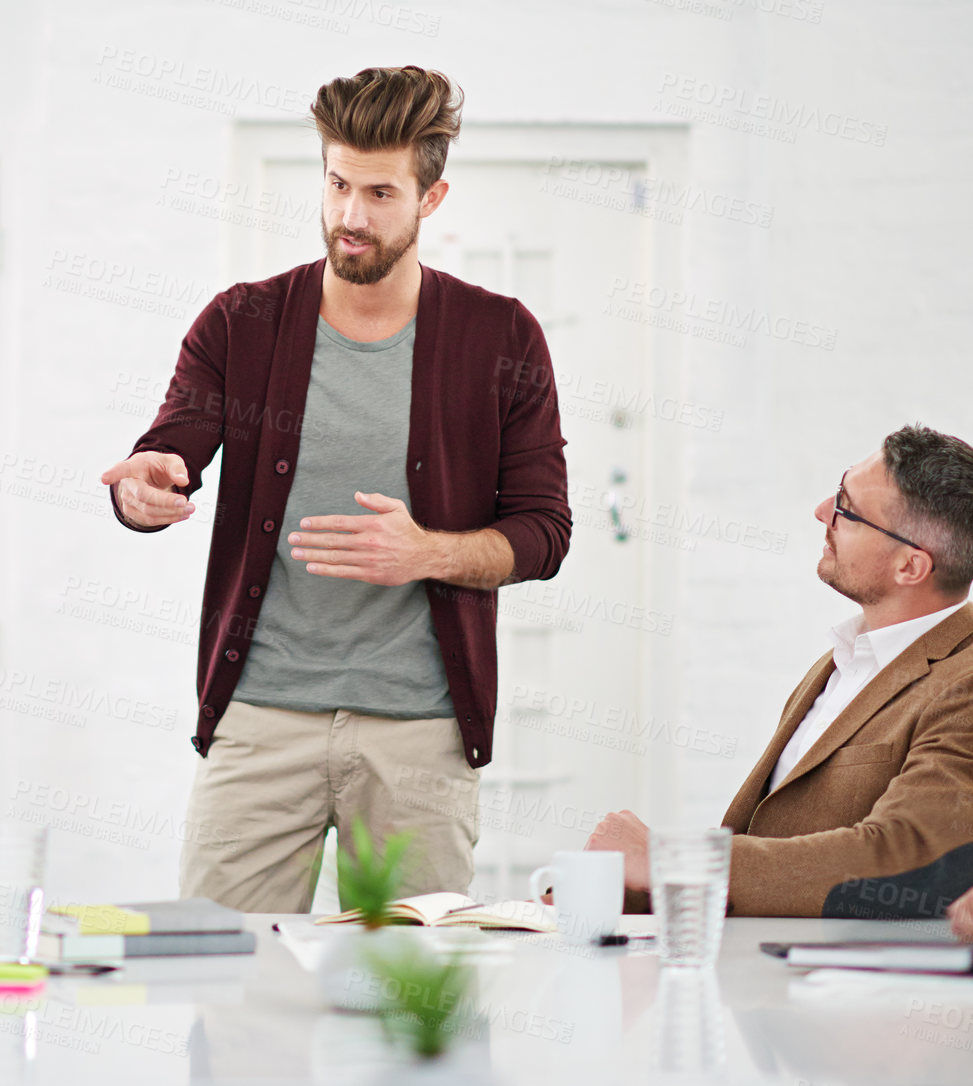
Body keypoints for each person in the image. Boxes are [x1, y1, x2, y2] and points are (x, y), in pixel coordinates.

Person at [100, 66, 571, 911]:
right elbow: (168, 449)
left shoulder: (500, 336)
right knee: (229, 984)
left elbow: (543, 533)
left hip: (419, 733)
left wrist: (425, 551)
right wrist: (143, 486)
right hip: (259, 718)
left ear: (431, 198)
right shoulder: (240, 322)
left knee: (404, 1006)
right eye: (336, 183)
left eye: (380, 192)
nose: (350, 215)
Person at [588, 425, 973, 917]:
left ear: (910, 567)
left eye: (845, 508)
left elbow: (901, 856)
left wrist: (668, 858)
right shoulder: (847, 659)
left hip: (836, 984)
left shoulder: (962, 681)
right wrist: (610, 890)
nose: (821, 512)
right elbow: (773, 840)